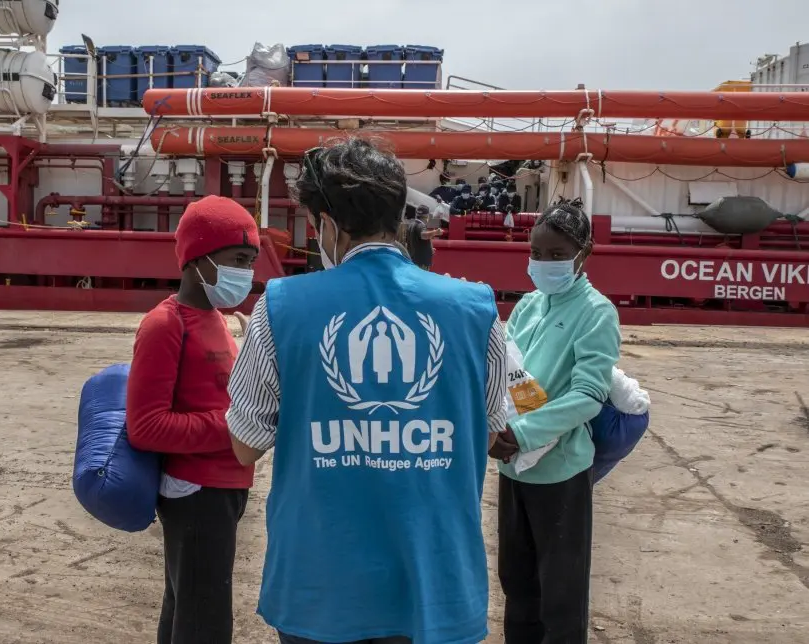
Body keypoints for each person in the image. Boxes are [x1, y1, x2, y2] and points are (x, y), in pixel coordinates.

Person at [226, 138, 508, 644]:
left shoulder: (280, 306)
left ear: (327, 226)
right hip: (434, 585)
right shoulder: (476, 309)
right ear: (398, 213)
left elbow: (246, 443)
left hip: (321, 586)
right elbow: (486, 434)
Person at [125, 195, 260, 644]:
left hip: (226, 486)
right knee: (205, 621)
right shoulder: (165, 324)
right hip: (195, 491)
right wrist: (239, 424)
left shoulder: (220, 320)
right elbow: (146, 427)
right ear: (199, 258)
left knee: (188, 607)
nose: (247, 272)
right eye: (238, 259)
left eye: (251, 260)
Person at [490, 201, 621, 644]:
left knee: (561, 592)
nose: (545, 263)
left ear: (585, 252)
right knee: (517, 581)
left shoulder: (596, 312)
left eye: (557, 253)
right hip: (514, 466)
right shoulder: (529, 305)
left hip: (560, 468)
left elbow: (588, 395)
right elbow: (501, 367)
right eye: (538, 253)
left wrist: (521, 434)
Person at [400, 204, 442, 270]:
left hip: (413, 260)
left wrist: (429, 249)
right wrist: (435, 232)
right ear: (426, 215)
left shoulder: (411, 224)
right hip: (421, 263)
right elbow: (423, 235)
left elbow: (415, 241)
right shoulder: (421, 225)